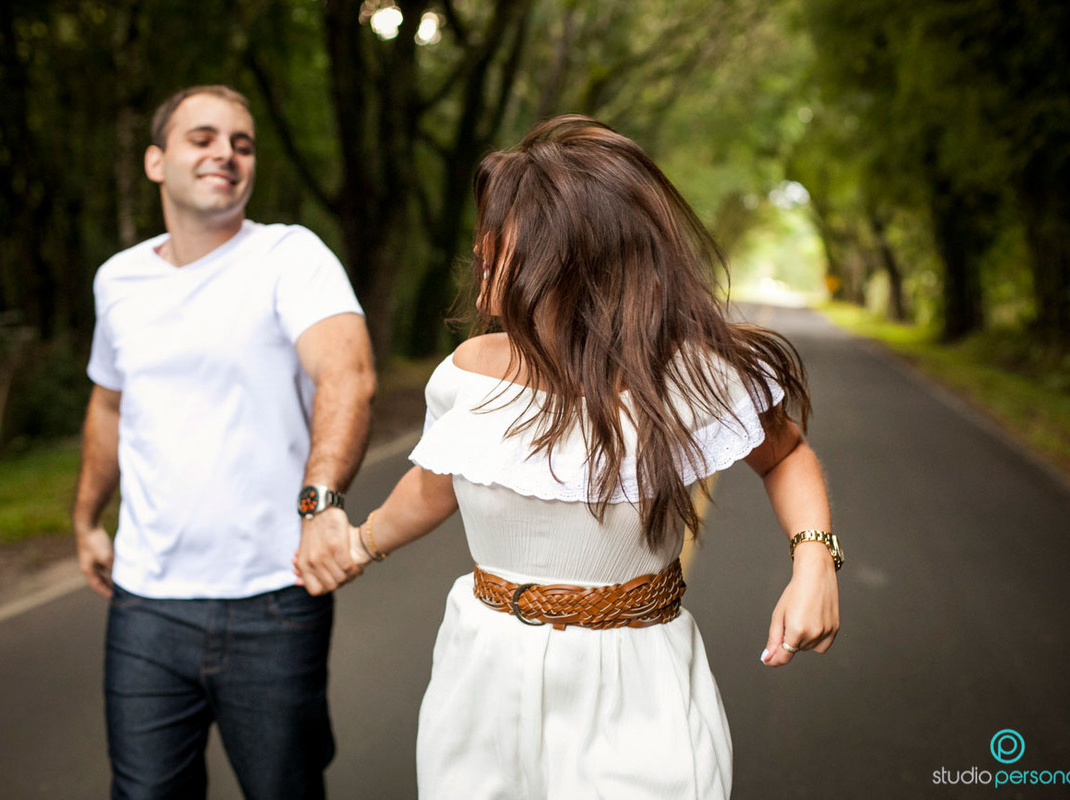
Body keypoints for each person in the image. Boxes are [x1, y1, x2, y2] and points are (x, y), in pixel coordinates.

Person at [296, 115, 842, 799]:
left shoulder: (692, 375)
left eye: (502, 230)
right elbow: (437, 484)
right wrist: (357, 545)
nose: (480, 247)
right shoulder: (466, 373)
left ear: (578, 250)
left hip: (637, 683)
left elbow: (785, 455)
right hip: (479, 677)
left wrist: (814, 558)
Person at [72, 84, 374, 800]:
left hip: (273, 597)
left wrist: (322, 503)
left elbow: (348, 374)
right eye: (202, 138)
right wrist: (86, 519)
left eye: (242, 143)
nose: (225, 154)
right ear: (156, 161)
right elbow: (109, 405)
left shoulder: (289, 257)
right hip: (145, 602)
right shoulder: (118, 280)